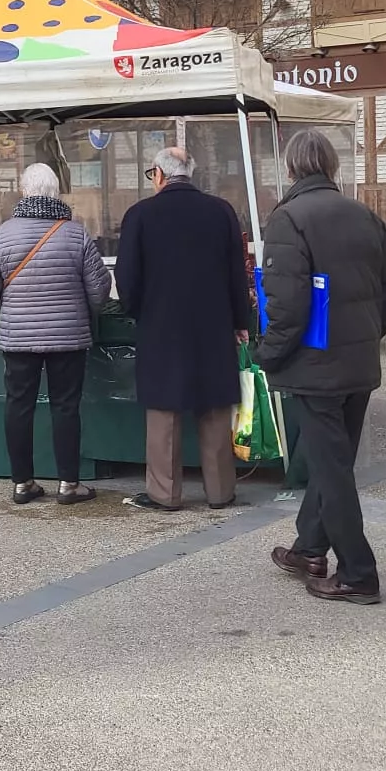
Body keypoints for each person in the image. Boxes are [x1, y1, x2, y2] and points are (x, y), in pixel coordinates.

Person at [258, 131, 386, 606]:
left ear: (292, 168)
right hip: (357, 360)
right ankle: (310, 549)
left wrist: (268, 355)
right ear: (332, 167)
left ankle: (359, 573)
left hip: (314, 365)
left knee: (332, 471)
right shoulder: (365, 215)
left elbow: (286, 304)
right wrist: (362, 337)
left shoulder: (288, 218)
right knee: (332, 464)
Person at [115, 147, 253, 512]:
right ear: (189, 173)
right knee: (214, 406)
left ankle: (165, 493)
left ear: (159, 174)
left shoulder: (140, 215)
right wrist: (241, 320)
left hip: (161, 326)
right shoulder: (221, 211)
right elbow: (237, 273)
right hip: (213, 324)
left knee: (164, 412)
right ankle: (221, 491)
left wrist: (136, 310)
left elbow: (126, 277)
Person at [0, 163, 111, 505]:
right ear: (56, 194)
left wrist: (10, 303)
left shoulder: (5, 233)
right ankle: (69, 484)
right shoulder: (75, 233)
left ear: (24, 192)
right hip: (68, 337)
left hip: (18, 337)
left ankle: (23, 483)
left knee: (18, 405)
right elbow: (99, 290)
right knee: (66, 406)